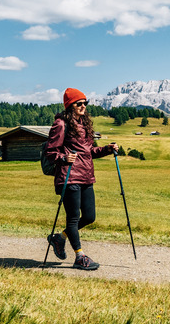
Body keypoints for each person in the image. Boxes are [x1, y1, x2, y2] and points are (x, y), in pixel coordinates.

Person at [45, 88, 118, 270]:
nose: (83, 106)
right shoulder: (61, 124)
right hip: (68, 177)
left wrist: (107, 149)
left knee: (89, 217)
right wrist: (63, 158)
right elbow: (50, 151)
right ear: (70, 106)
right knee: (73, 218)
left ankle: (59, 238)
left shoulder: (84, 125)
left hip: (86, 176)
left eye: (85, 103)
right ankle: (80, 257)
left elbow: (89, 152)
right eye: (79, 103)